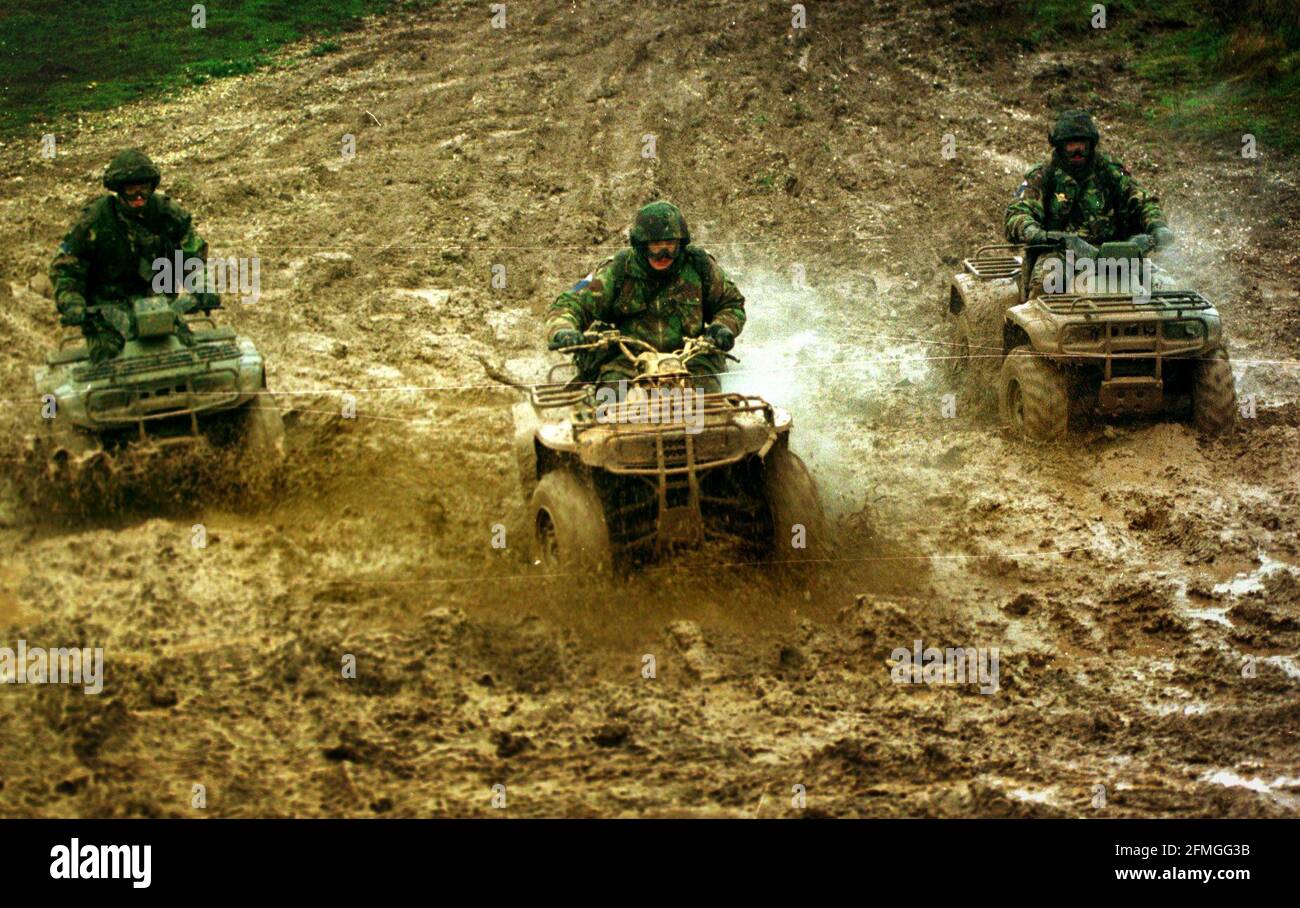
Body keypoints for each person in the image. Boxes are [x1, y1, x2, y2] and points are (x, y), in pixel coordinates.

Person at [544, 201, 745, 392]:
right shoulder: (617, 269)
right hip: (629, 360)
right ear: (640, 245)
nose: (663, 254)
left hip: (690, 357)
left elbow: (731, 303)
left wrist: (723, 327)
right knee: (610, 398)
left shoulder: (699, 265)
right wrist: (564, 330)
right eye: (655, 246)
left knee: (708, 402)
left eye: (670, 245)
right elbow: (570, 302)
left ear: (680, 245)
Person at [50, 149, 218, 363]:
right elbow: (65, 267)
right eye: (131, 189)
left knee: (189, 359)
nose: (138, 196)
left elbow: (192, 256)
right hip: (108, 315)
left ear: (152, 187)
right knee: (107, 367)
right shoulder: (94, 221)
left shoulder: (168, 214)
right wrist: (72, 304)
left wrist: (202, 288)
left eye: (144, 188)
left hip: (160, 309)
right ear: (119, 190)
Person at [1005, 109, 1174, 265]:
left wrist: (1157, 225)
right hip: (1059, 252)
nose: (1077, 151)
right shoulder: (1043, 175)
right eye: (1071, 145)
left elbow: (1141, 199)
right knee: (1046, 281)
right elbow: (1018, 210)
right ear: (1061, 146)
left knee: (1155, 285)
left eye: (1082, 145)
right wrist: (1036, 233)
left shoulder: (1110, 171)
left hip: (1114, 253)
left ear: (1091, 145)